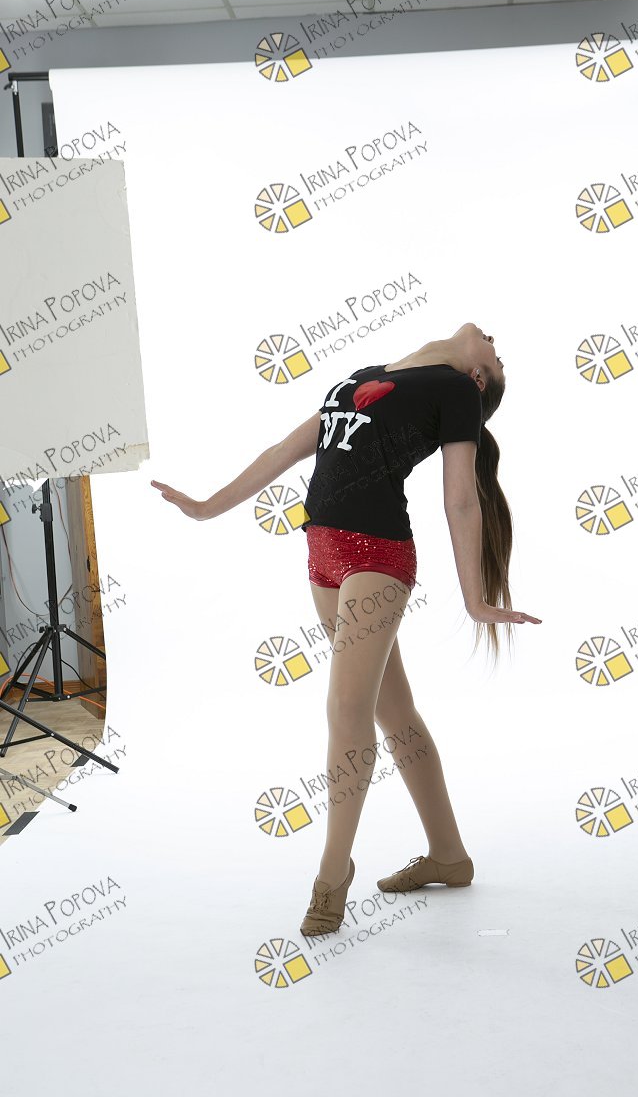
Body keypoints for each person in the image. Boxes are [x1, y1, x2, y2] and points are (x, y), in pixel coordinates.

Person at [151, 321, 541, 937]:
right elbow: (282, 452)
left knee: (344, 707)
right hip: (323, 554)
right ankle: (449, 855)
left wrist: (474, 600)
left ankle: (333, 872)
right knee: (394, 711)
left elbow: (461, 500)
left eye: (498, 355)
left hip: (377, 556)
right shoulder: (368, 376)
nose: (493, 339)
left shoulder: (455, 391)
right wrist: (204, 508)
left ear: (478, 378)